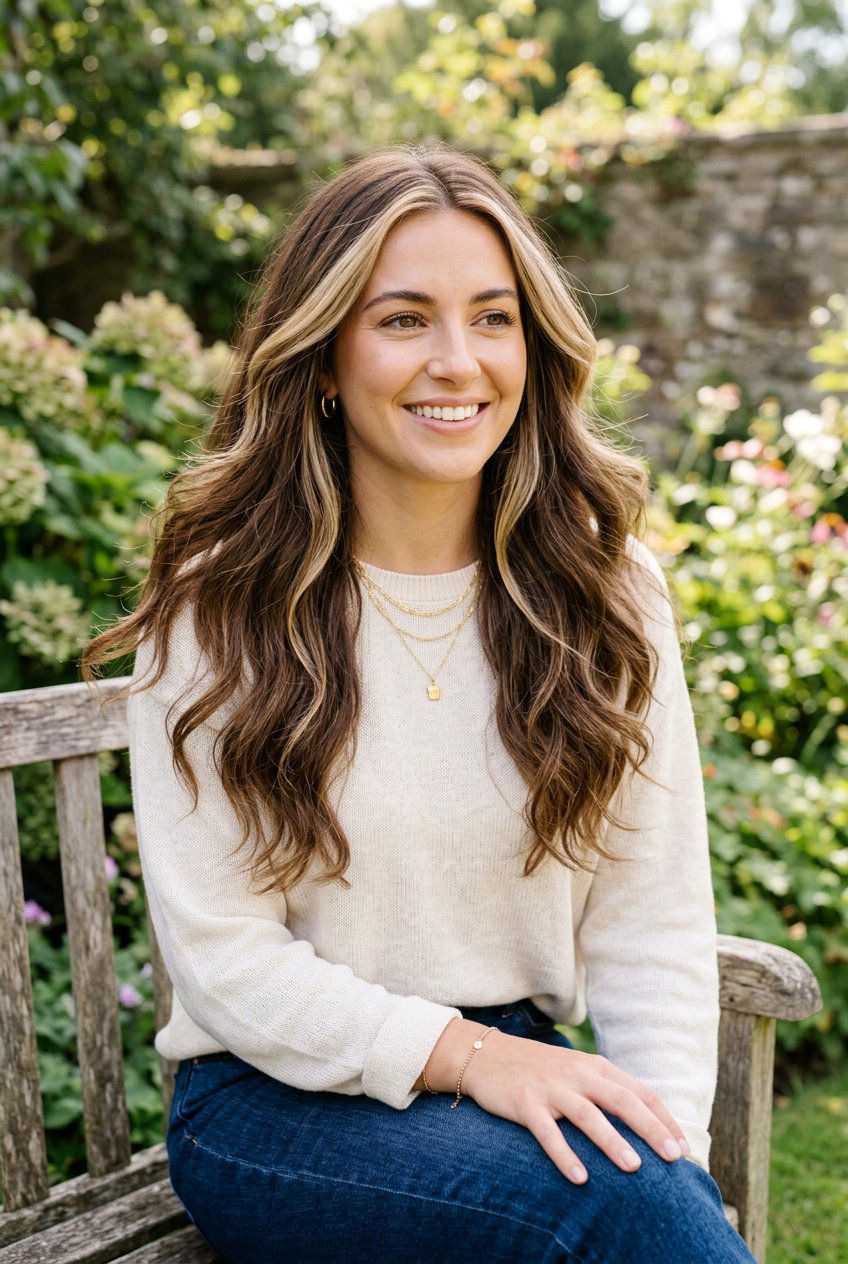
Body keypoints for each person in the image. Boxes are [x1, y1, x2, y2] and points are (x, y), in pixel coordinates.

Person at [82, 142, 757, 1263]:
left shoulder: (605, 596)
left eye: (493, 318)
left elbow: (651, 924)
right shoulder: (223, 605)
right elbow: (228, 965)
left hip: (515, 1075)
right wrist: (476, 1063)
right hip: (276, 1099)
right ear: (324, 361)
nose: (458, 361)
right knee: (603, 1209)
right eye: (403, 320)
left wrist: (666, 1149)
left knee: (636, 1194)